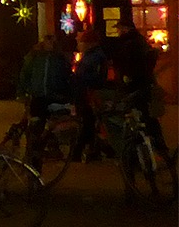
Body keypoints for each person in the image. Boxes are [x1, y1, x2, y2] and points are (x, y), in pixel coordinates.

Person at [113, 23, 173, 163]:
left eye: (119, 29)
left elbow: (127, 65)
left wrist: (126, 79)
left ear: (125, 29)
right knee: (147, 117)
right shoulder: (139, 42)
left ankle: (135, 154)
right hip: (144, 84)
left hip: (135, 85)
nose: (118, 32)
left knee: (136, 117)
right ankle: (159, 148)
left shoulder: (129, 44)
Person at [70, 28, 111, 163]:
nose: (78, 43)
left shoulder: (93, 57)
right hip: (86, 93)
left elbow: (94, 77)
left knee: (88, 123)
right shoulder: (93, 55)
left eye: (81, 41)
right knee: (90, 123)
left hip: (88, 94)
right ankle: (95, 150)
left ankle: (81, 151)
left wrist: (78, 79)